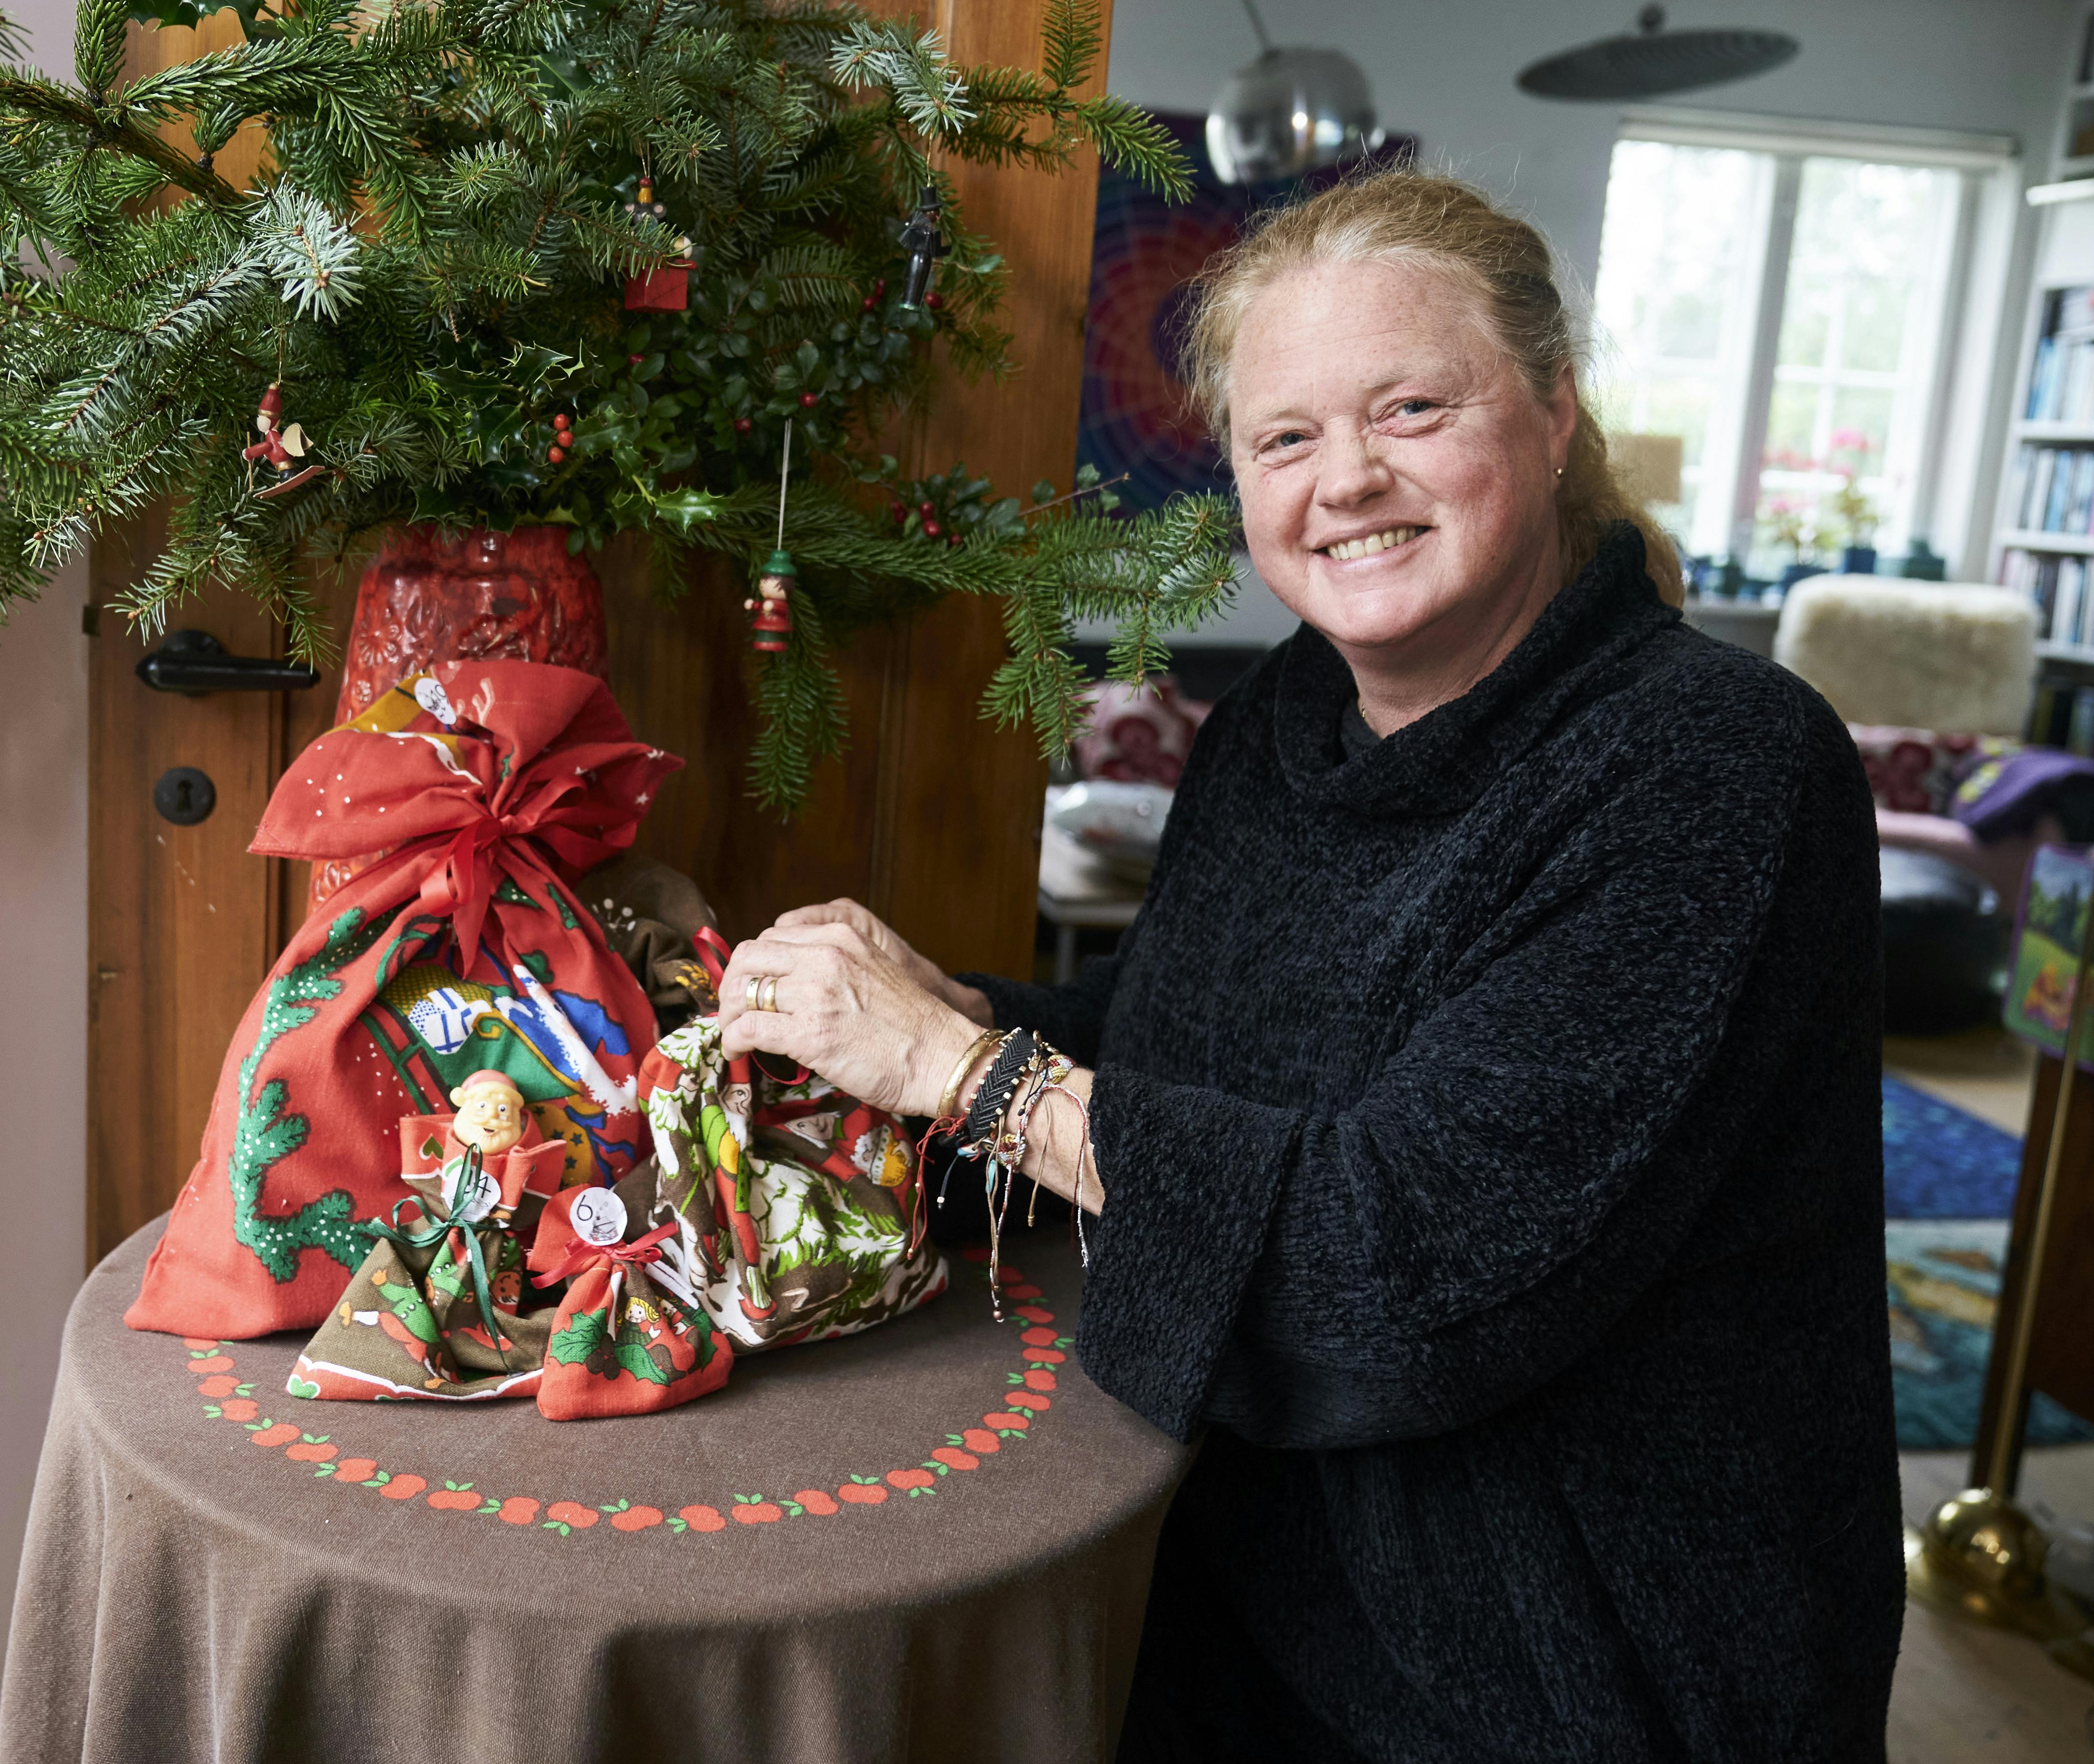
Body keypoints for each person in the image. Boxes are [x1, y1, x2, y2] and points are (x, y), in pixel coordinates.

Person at [714, 168, 1900, 1760]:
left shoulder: (1717, 767)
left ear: (1554, 416)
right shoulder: (1287, 718)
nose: (1345, 479)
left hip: (1573, 1667)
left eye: (1410, 408)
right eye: (1285, 438)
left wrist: (960, 1073)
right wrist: (943, 1012)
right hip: (1251, 1575)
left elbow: (1397, 1267)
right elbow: (1166, 1049)